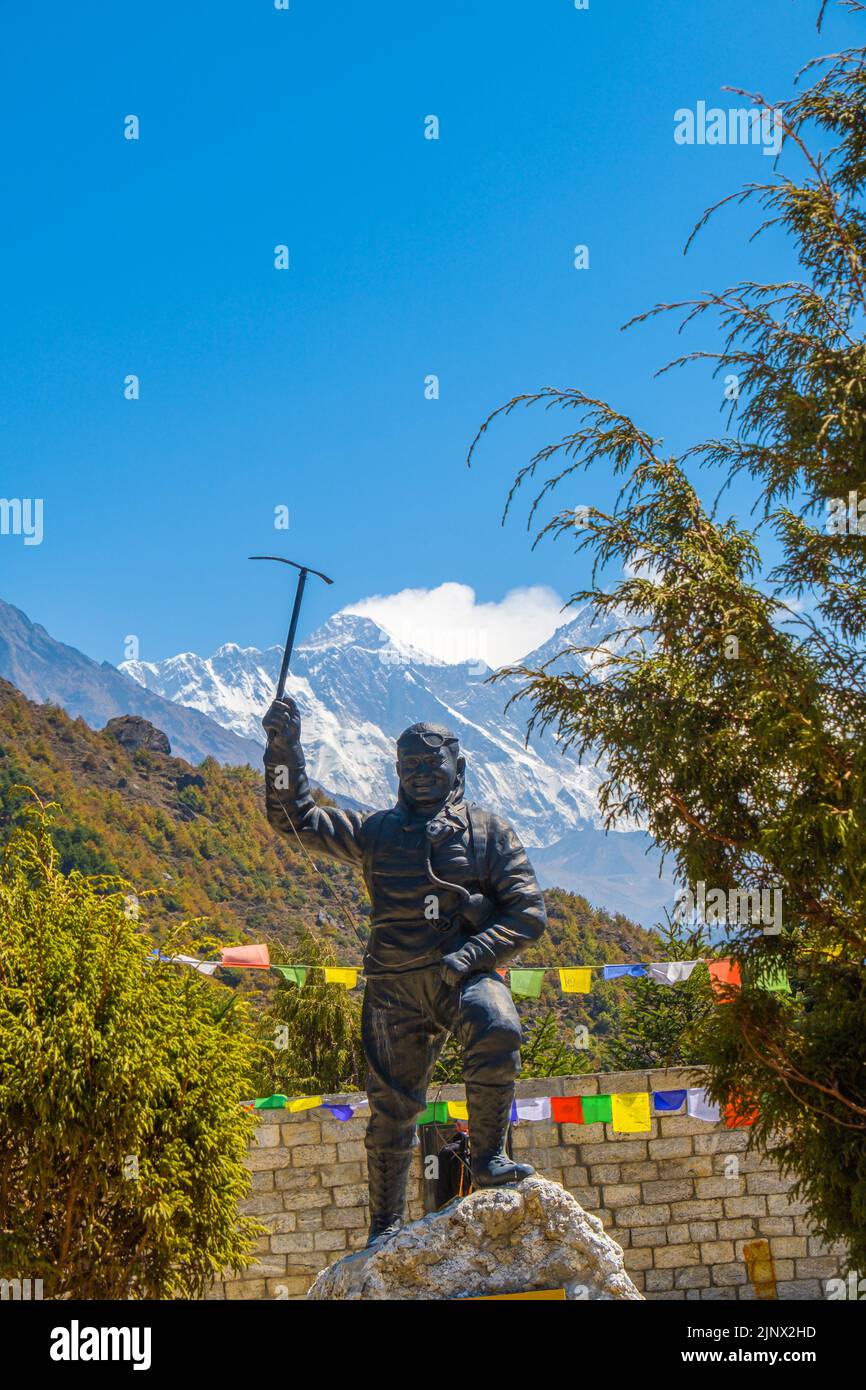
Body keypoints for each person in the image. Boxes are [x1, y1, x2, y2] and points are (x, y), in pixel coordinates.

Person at [262, 697, 548, 1245]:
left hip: (461, 974)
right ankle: (384, 1225)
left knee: (498, 1028)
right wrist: (283, 748)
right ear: (396, 771)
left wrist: (471, 955)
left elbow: (527, 914)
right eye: (408, 765)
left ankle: (489, 1157)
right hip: (392, 987)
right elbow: (294, 818)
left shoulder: (490, 834)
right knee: (392, 1109)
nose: (420, 774)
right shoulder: (376, 831)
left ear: (457, 769)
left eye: (430, 764)